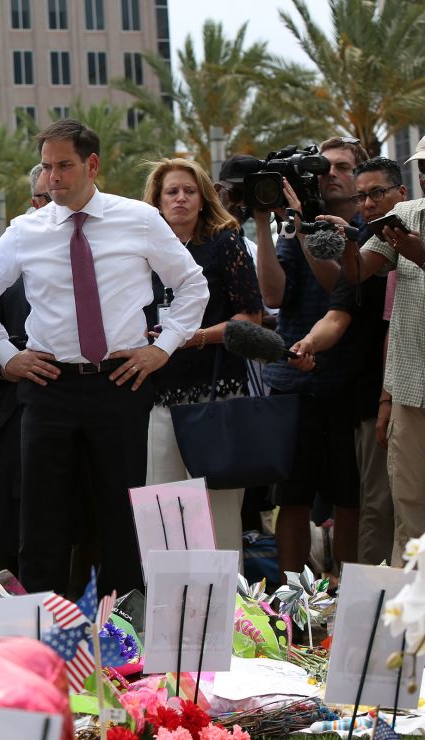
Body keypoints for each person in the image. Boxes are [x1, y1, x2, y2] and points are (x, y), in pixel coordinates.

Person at [0, 119, 209, 596]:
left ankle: (124, 637)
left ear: (92, 164)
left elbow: (192, 284)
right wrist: (5, 355)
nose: (53, 178)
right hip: (48, 386)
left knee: (122, 517)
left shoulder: (139, 220)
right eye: (46, 168)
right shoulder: (27, 230)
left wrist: (160, 349)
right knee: (41, 521)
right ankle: (41, 641)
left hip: (120, 382)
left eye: (64, 165)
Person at [255, 136, 370, 579]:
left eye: (342, 167)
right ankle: (292, 604)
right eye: (324, 169)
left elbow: (337, 286)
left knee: (349, 498)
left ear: (358, 177)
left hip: (348, 384)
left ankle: (343, 597)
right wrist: (264, 224)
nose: (332, 175)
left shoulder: (366, 229)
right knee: (293, 498)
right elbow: (273, 294)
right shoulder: (293, 227)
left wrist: (304, 226)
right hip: (294, 385)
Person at [141, 159, 263, 554]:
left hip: (217, 393)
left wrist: (194, 338)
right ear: (157, 201)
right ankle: (170, 612)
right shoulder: (141, 250)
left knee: (219, 519)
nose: (180, 199)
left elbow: (251, 316)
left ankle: (228, 613)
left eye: (189, 191)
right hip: (159, 397)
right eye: (171, 191)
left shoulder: (225, 240)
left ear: (203, 197)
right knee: (164, 519)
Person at [338, 141, 425, 564]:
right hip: (410, 388)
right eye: (422, 166)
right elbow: (358, 271)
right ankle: (409, 624)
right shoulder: (404, 217)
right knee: (408, 509)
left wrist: (420, 255)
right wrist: (341, 239)